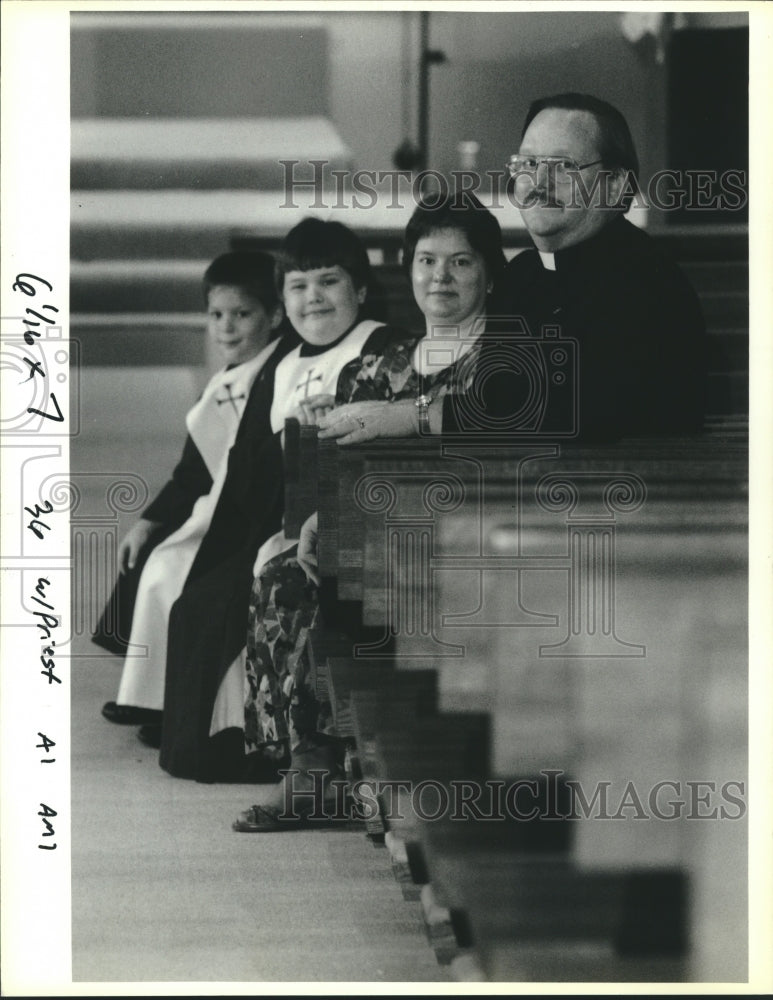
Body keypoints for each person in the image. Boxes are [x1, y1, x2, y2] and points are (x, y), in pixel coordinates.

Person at [232, 193, 507, 831]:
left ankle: (355, 769)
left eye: (461, 262)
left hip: (461, 534)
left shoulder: (500, 360)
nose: (440, 277)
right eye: (427, 260)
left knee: (332, 579)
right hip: (377, 529)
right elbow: (337, 462)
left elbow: (479, 464)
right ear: (407, 269)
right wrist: (318, 516)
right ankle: (313, 770)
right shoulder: (381, 362)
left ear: (490, 274)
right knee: (285, 570)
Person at [157, 218, 414, 783]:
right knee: (198, 601)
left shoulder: (383, 348)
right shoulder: (283, 362)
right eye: (298, 286)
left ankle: (287, 757)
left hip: (346, 525)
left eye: (329, 282)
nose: (312, 298)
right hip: (275, 522)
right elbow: (248, 470)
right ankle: (231, 743)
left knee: (257, 588)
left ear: (362, 290)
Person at [93, 251, 287, 728]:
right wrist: (150, 519)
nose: (226, 328)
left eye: (242, 314)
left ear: (275, 315)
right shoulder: (225, 380)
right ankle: (147, 696)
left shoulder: (274, 373)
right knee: (154, 555)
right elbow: (193, 471)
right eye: (216, 315)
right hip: (214, 507)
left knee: (167, 570)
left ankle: (164, 705)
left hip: (246, 519)